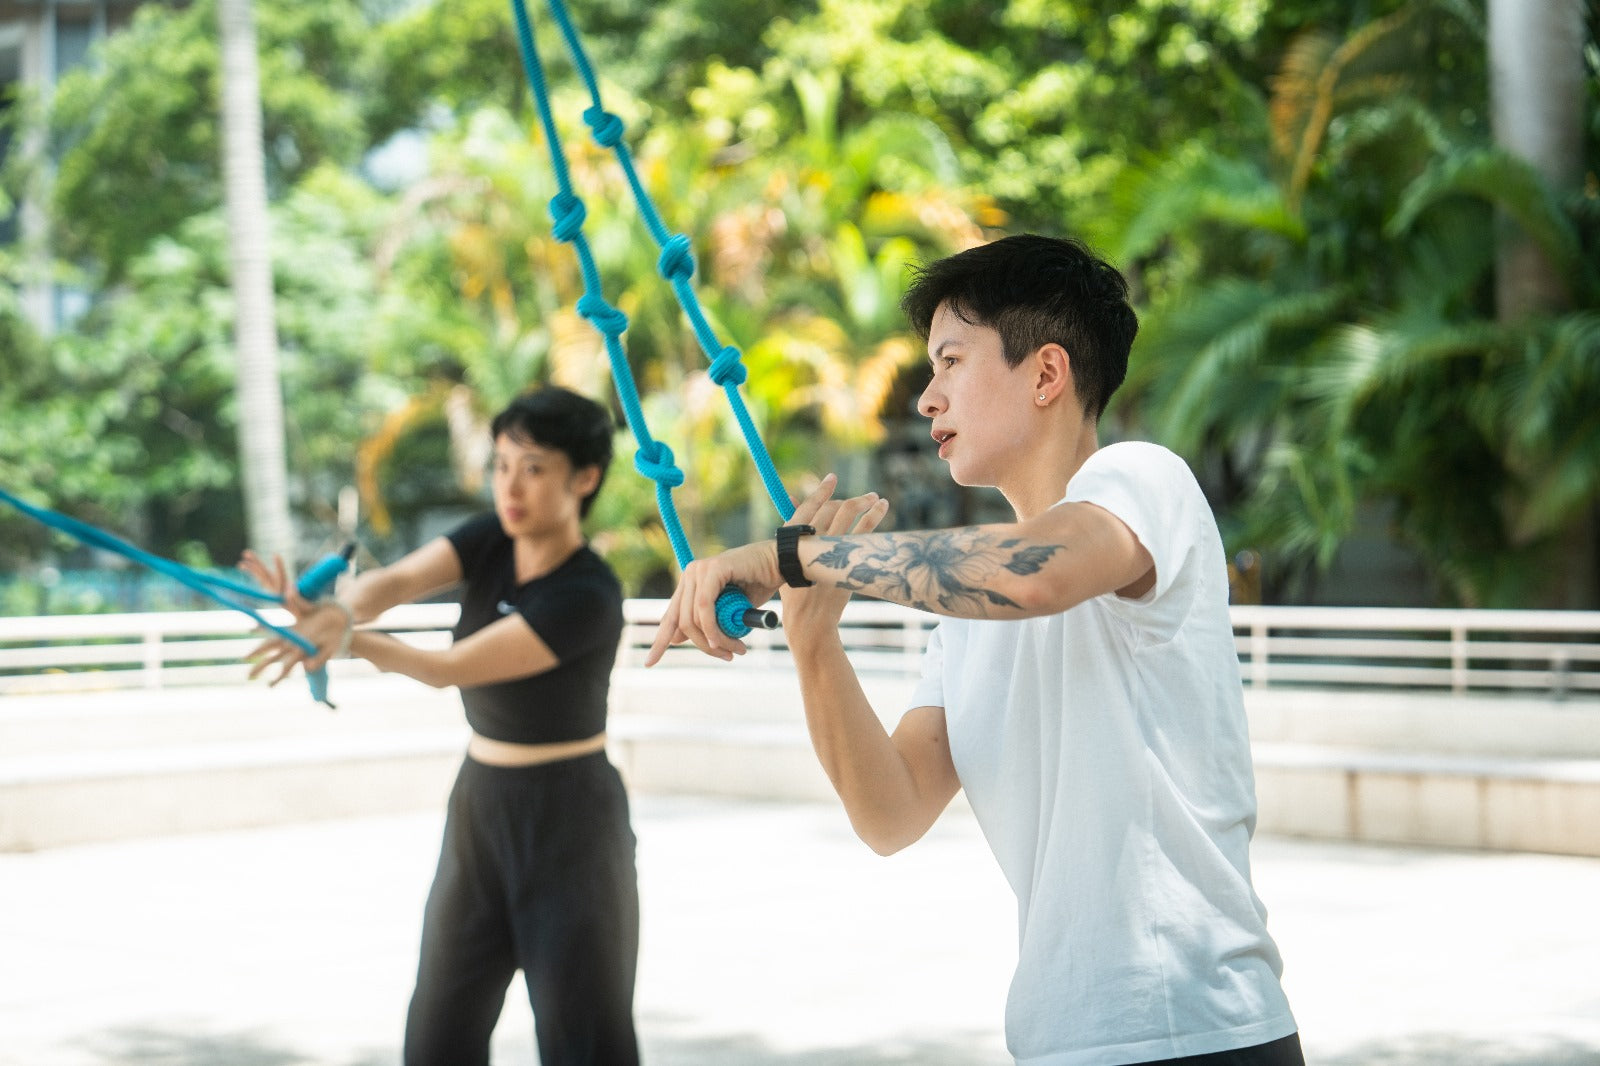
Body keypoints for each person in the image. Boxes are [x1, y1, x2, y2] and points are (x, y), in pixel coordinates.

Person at [646, 234, 1302, 1065]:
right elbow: (892, 812)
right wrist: (816, 645)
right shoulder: (964, 613)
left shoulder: (1144, 480)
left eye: (951, 361)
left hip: (1200, 1032)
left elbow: (1036, 574)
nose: (928, 398)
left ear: (1046, 374)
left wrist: (787, 557)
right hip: (1059, 1039)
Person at [245, 385, 639, 1066]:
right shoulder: (492, 537)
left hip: (573, 821)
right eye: (501, 465)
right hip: (480, 809)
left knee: (586, 1042)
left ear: (586, 477)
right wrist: (343, 609)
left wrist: (347, 641)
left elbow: (451, 668)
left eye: (534, 468)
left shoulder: (589, 594)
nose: (510, 486)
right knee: (438, 1033)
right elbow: (389, 585)